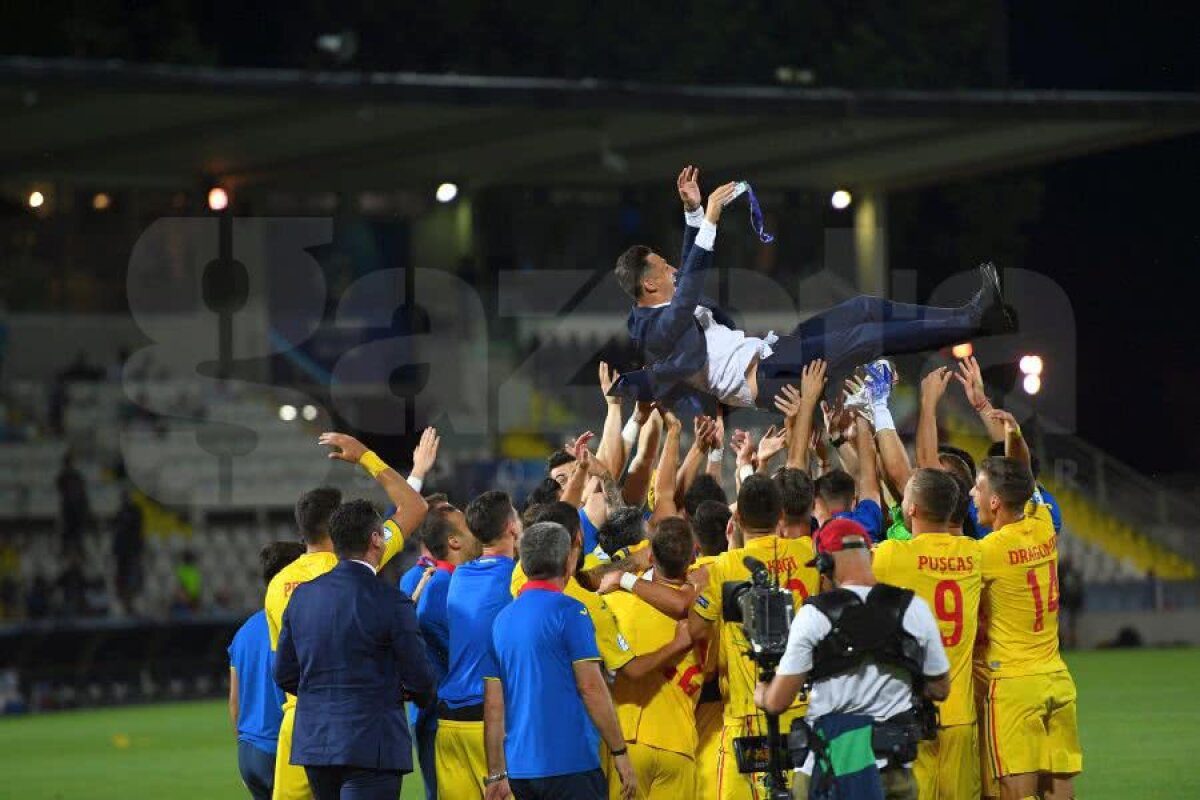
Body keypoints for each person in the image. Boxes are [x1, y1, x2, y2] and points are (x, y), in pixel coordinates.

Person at [609, 166, 1010, 412]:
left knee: (864, 308)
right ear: (649, 284)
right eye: (665, 267)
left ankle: (972, 315)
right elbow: (690, 291)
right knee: (868, 337)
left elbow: (686, 282)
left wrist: (693, 211)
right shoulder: (656, 330)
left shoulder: (663, 308)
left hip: (773, 352)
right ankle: (976, 320)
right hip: (770, 379)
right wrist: (710, 218)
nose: (674, 268)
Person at [265, 432, 428, 800]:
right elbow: (414, 509)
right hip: (365, 732)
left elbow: (283, 669)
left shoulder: (281, 586)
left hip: (304, 728)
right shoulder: (355, 568)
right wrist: (369, 457)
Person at [756, 519, 951, 800]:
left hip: (828, 770)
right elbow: (940, 688)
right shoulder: (913, 608)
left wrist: (762, 693)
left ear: (825, 564)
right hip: (892, 774)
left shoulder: (814, 616)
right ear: (870, 555)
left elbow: (778, 701)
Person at [482, 522, 638, 800]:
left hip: (521, 771)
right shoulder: (570, 611)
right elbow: (590, 687)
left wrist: (496, 774)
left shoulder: (501, 620)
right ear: (568, 562)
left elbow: (494, 704)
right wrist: (620, 752)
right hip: (571, 765)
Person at [973, 456, 1082, 799]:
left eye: (977, 488)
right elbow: (1025, 478)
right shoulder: (1044, 524)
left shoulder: (988, 550)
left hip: (1014, 687)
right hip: (1057, 680)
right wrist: (1014, 434)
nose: (971, 495)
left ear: (994, 501)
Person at [872, 469, 983, 800]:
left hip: (913, 716)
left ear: (913, 509)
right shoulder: (975, 554)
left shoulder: (893, 555)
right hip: (960, 714)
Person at [605, 518, 701, 799]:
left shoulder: (616, 604)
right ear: (692, 556)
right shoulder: (705, 614)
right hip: (680, 744)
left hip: (629, 742)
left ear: (650, 557)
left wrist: (621, 578)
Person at [436, 490, 521, 799]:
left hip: (449, 723)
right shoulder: (517, 579)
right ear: (512, 527)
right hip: (492, 724)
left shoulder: (459, 576)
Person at [411, 506, 479, 800]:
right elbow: (463, 656)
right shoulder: (442, 590)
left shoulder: (451, 583)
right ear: (454, 542)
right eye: (468, 527)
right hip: (448, 721)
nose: (476, 530)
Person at [229, 542, 306, 800]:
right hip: (282, 747)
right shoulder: (298, 625)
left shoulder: (243, 632)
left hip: (250, 750)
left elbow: (234, 705)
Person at [112, 491, 144, 615]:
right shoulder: (120, 513)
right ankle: (126, 603)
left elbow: (138, 528)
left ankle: (131, 602)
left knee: (133, 576)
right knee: (124, 577)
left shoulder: (135, 511)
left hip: (132, 551)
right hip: (122, 554)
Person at [55, 453, 91, 555]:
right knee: (68, 532)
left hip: (76, 509)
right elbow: (60, 490)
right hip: (69, 509)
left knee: (77, 532)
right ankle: (66, 550)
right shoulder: (63, 477)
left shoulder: (76, 476)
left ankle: (78, 550)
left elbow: (83, 493)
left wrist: (86, 508)